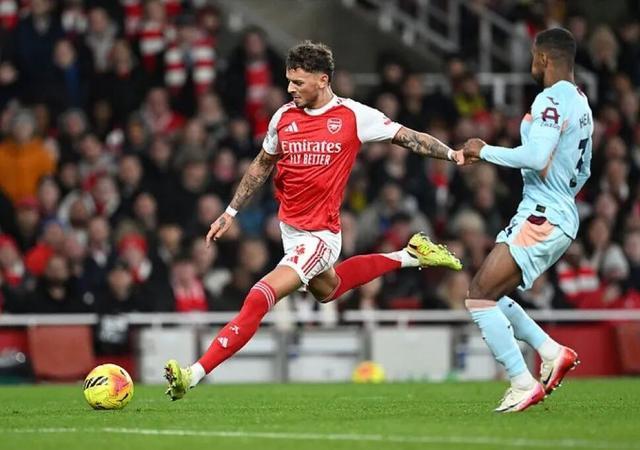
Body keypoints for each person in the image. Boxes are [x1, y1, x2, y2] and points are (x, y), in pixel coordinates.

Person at [164, 41, 463, 399]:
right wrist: (230, 212)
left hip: (320, 235)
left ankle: (192, 374)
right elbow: (262, 164)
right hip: (290, 231)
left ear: (322, 80)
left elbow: (409, 138)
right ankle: (410, 255)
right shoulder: (283, 117)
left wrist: (453, 154)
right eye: (288, 81)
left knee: (259, 297)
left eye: (298, 82)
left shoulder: (353, 116)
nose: (290, 88)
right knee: (328, 290)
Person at [455, 28, 592, 413]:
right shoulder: (580, 101)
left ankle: (522, 382)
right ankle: (551, 352)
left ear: (544, 58)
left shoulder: (550, 99)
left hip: (543, 214)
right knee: (492, 294)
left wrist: (484, 151)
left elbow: (534, 157)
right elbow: (584, 169)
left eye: (534, 56)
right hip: (558, 211)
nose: (532, 63)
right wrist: (559, 195)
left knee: (479, 295)